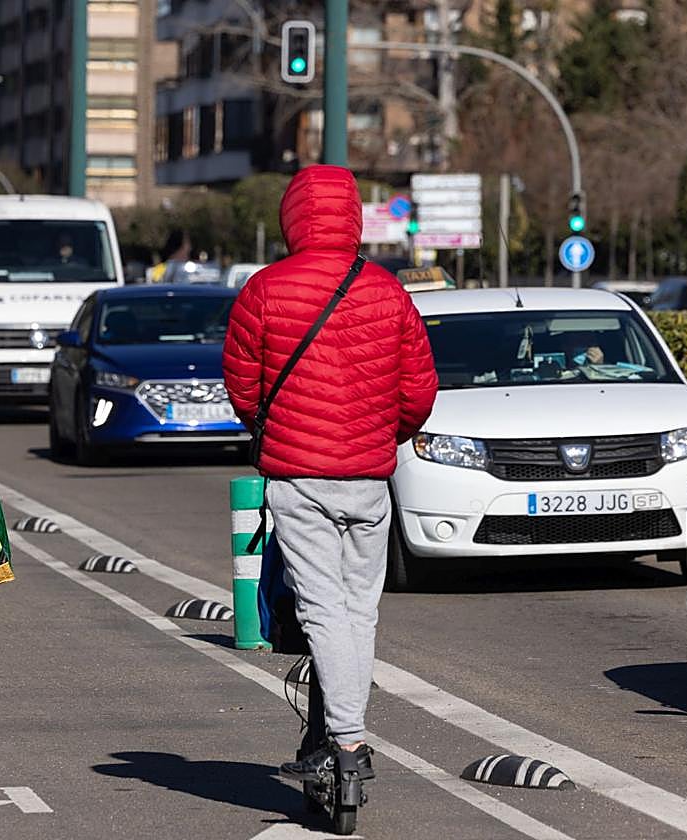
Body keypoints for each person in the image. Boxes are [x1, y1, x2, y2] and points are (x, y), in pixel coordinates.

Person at [222, 165, 439, 781]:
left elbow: (243, 386)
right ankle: (339, 737)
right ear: (354, 217)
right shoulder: (386, 290)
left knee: (320, 610)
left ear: (292, 217)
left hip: (298, 477)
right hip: (370, 480)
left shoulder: (264, 289)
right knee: (357, 611)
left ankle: (345, 745)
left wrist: (276, 426)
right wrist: (378, 434)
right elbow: (418, 391)